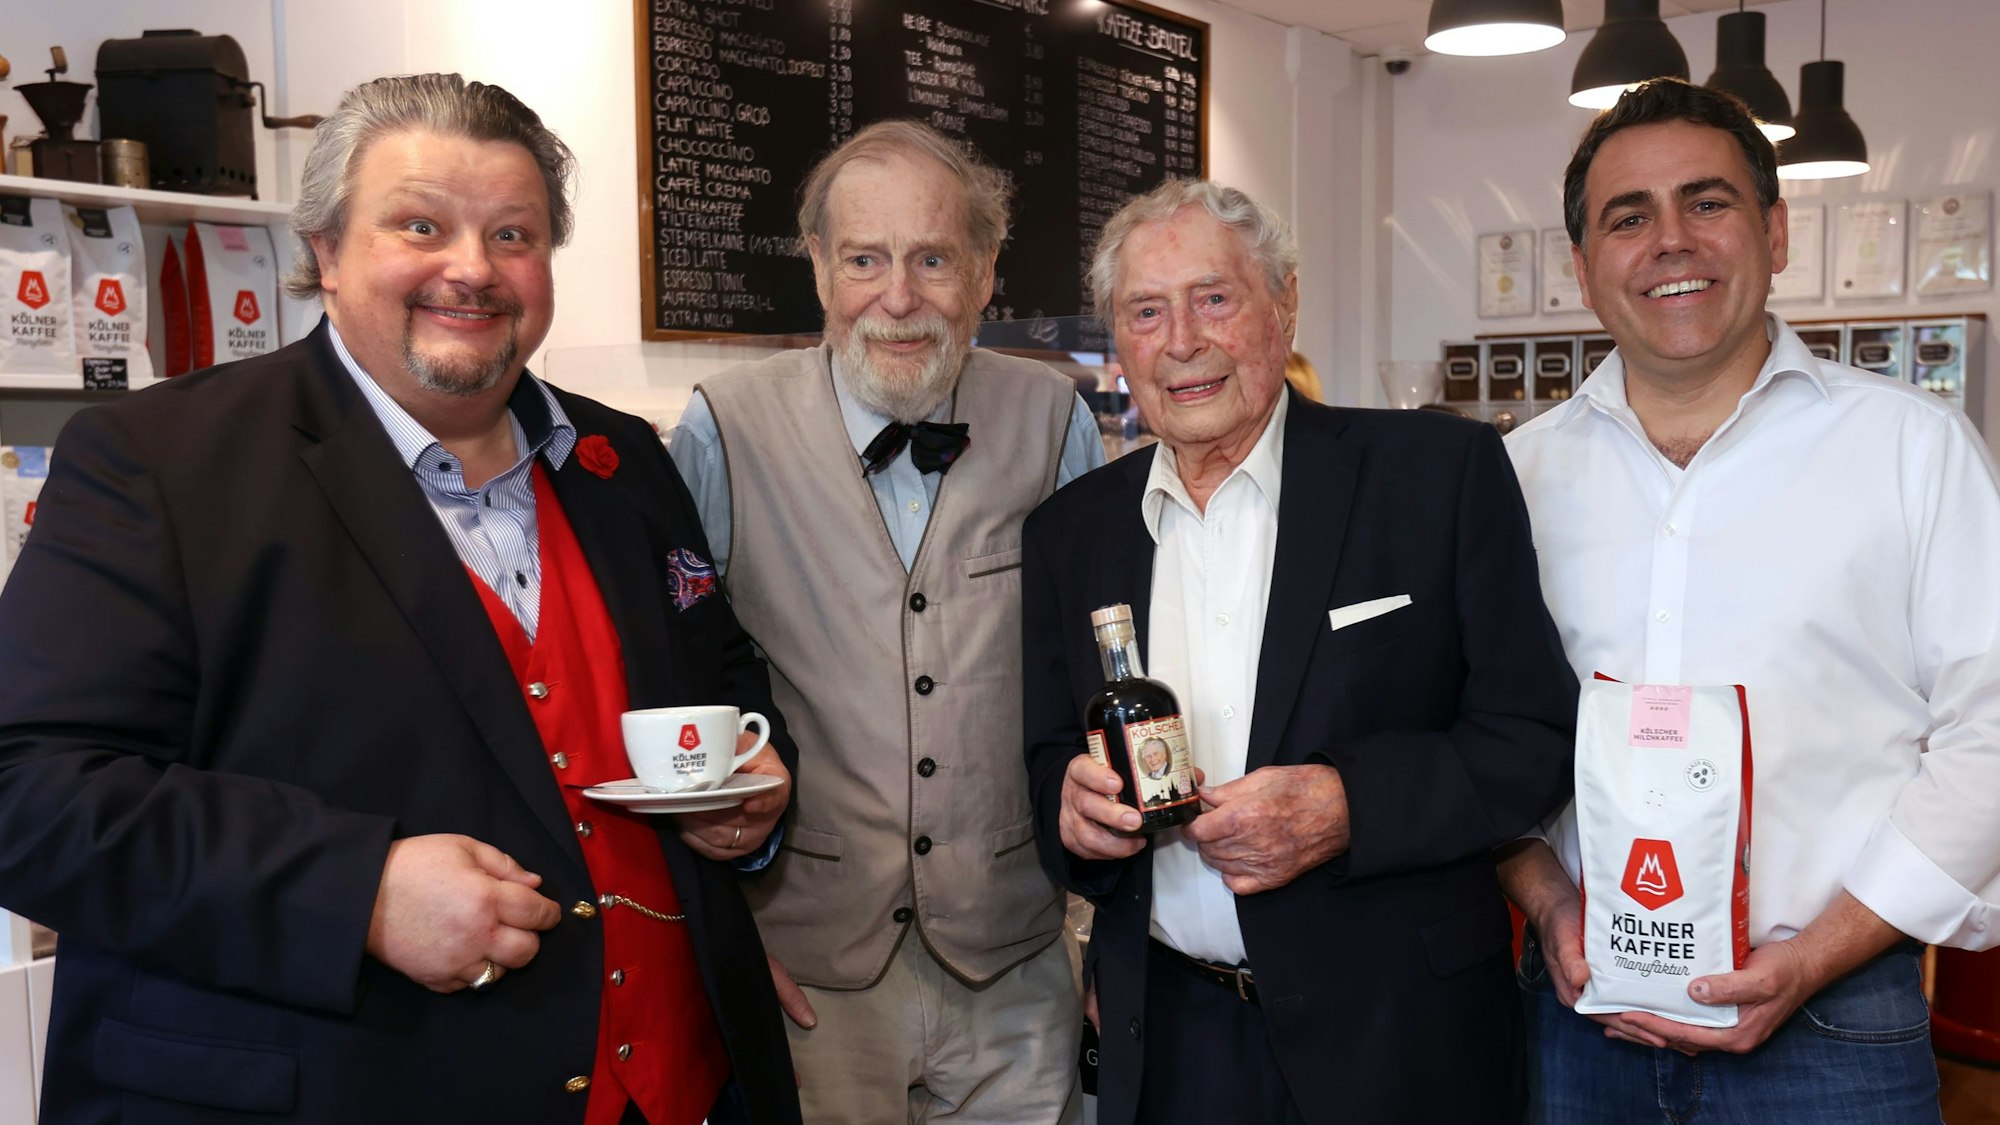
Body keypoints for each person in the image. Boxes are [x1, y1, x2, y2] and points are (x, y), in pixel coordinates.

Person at [0, 74, 801, 1125]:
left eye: (513, 235)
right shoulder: (160, 462)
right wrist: (358, 891)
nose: (472, 267)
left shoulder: (625, 461)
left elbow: (721, 678)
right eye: (420, 225)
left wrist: (750, 795)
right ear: (326, 251)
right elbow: (30, 795)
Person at [1021, 178, 1578, 1124]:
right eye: (1146, 311)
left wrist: (1348, 806)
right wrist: (1072, 814)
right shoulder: (1070, 534)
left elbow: (1533, 740)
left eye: (1214, 298)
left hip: (1400, 1042)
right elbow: (1045, 761)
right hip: (1173, 1043)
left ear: (1284, 304)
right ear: (1120, 340)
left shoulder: (1435, 475)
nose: (1182, 340)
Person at [1502, 77, 2000, 1123]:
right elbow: (1477, 729)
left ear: (1773, 233)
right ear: (1583, 268)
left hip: (1834, 1027)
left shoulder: (1911, 451)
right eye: (1627, 218)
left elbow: (1988, 732)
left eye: (1707, 202)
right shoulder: (1514, 479)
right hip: (1576, 1019)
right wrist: (1546, 904)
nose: (1670, 241)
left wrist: (1818, 955)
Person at [666, 119, 1102, 1123]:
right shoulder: (722, 427)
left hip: (1016, 965)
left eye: (932, 259)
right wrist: (720, 938)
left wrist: (1108, 936)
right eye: (864, 259)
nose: (897, 297)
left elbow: (1098, 674)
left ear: (985, 271)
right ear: (819, 266)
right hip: (807, 971)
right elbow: (679, 684)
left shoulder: (1056, 420)